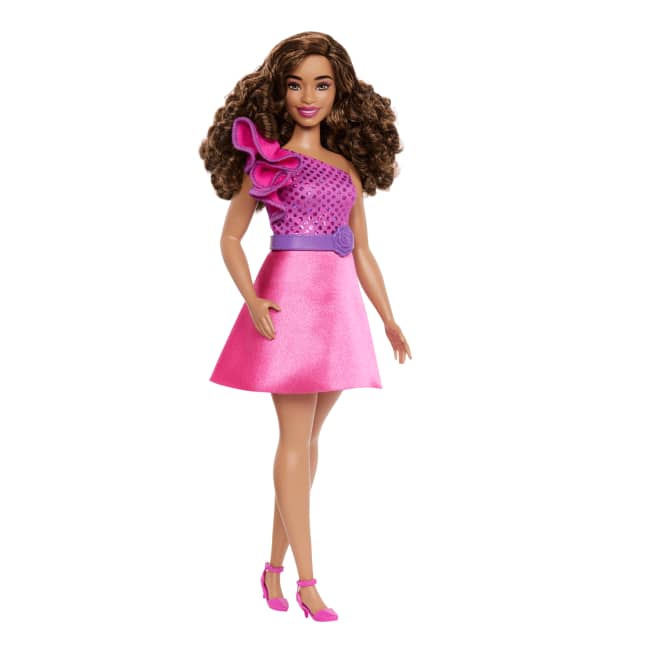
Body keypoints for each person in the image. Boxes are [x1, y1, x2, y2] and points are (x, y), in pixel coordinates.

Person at [198, 31, 412, 622]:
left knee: (309, 444)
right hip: (288, 303)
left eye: (321, 84)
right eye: (296, 85)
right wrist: (251, 298)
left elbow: (362, 249)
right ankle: (307, 582)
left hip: (337, 309)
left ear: (339, 91)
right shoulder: (269, 159)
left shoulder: (346, 167)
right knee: (295, 442)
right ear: (281, 91)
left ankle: (272, 568)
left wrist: (388, 318)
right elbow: (231, 237)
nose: (308, 97)